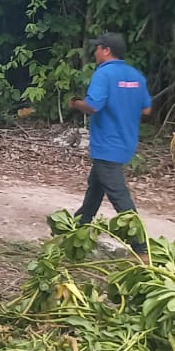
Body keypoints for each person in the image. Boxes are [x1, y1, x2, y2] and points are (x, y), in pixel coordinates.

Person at [67, 32, 152, 253]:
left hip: (107, 143)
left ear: (106, 50)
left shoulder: (103, 75)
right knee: (95, 187)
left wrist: (76, 103)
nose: (95, 52)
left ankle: (141, 247)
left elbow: (93, 106)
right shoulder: (135, 76)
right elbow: (146, 108)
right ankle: (78, 227)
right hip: (126, 141)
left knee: (118, 195)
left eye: (97, 48)